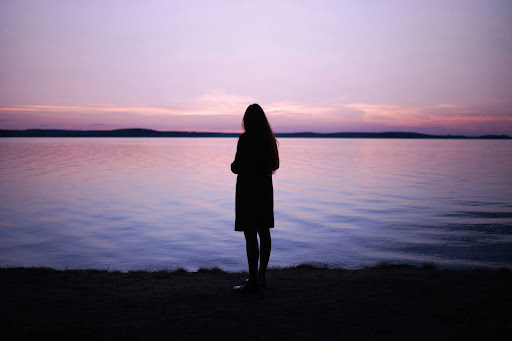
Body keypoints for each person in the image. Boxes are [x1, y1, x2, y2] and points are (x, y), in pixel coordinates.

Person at [231, 103, 279, 292]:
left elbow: (237, 166)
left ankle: (252, 281)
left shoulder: (245, 139)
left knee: (250, 234)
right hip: (265, 190)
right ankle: (261, 276)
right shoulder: (269, 140)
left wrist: (235, 167)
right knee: (264, 232)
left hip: (248, 190)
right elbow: (275, 164)